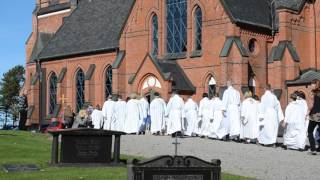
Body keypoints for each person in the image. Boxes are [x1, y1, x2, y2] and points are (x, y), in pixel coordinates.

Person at [307, 79, 320, 155]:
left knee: (310, 131)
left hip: (314, 114)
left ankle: (313, 149)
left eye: (311, 84)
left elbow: (311, 104)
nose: (310, 85)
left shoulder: (313, 92)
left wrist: (307, 112)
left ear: (315, 84)